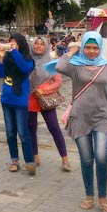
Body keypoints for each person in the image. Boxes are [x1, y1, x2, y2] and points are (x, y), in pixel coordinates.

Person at [56, 31, 107, 212]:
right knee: (86, 159)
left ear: (100, 48)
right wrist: (72, 51)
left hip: (103, 117)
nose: (91, 51)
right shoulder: (75, 65)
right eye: (88, 47)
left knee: (101, 156)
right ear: (83, 47)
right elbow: (60, 66)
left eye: (95, 48)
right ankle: (89, 195)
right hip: (80, 117)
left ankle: (103, 197)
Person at [28, 36, 71, 171]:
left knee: (54, 128)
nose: (39, 46)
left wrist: (43, 90)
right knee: (31, 130)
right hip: (30, 97)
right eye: (36, 44)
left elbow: (58, 82)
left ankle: (65, 159)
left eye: (42, 44)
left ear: (46, 46)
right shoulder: (27, 61)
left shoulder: (51, 62)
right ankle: (35, 158)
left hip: (46, 98)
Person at [0, 33, 36, 175]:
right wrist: (1, 57)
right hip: (6, 100)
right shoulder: (8, 58)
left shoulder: (27, 59)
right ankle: (14, 160)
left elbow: (25, 69)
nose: (12, 45)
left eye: (15, 43)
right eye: (10, 42)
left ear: (21, 44)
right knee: (10, 132)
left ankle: (30, 162)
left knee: (23, 132)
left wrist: (14, 51)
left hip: (20, 101)